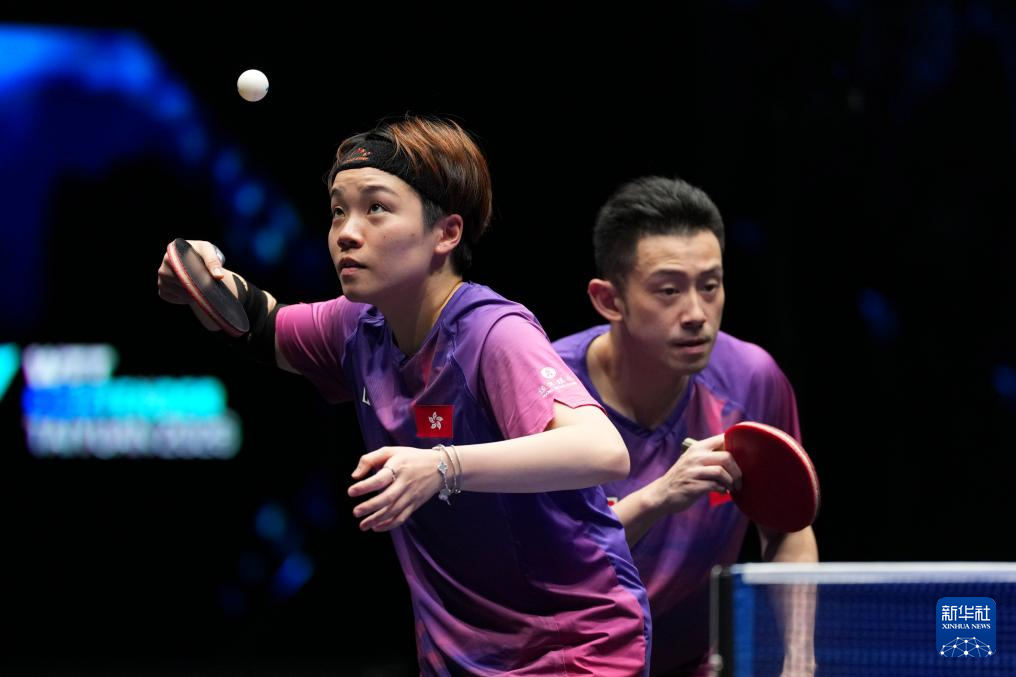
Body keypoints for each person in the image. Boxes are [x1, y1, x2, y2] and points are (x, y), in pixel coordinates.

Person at [157, 116, 651, 676]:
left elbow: (602, 450)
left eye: (376, 208)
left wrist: (442, 466)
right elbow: (258, 325)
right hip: (462, 658)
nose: (346, 233)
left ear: (446, 233)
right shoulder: (357, 327)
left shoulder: (492, 333)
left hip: (574, 650)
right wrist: (198, 271)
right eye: (338, 211)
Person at [552, 176, 818, 677]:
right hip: (566, 662)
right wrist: (661, 495)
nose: (697, 314)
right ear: (609, 300)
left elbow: (787, 528)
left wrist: (799, 661)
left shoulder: (752, 380)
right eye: (669, 291)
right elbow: (543, 566)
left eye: (710, 286)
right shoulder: (545, 391)